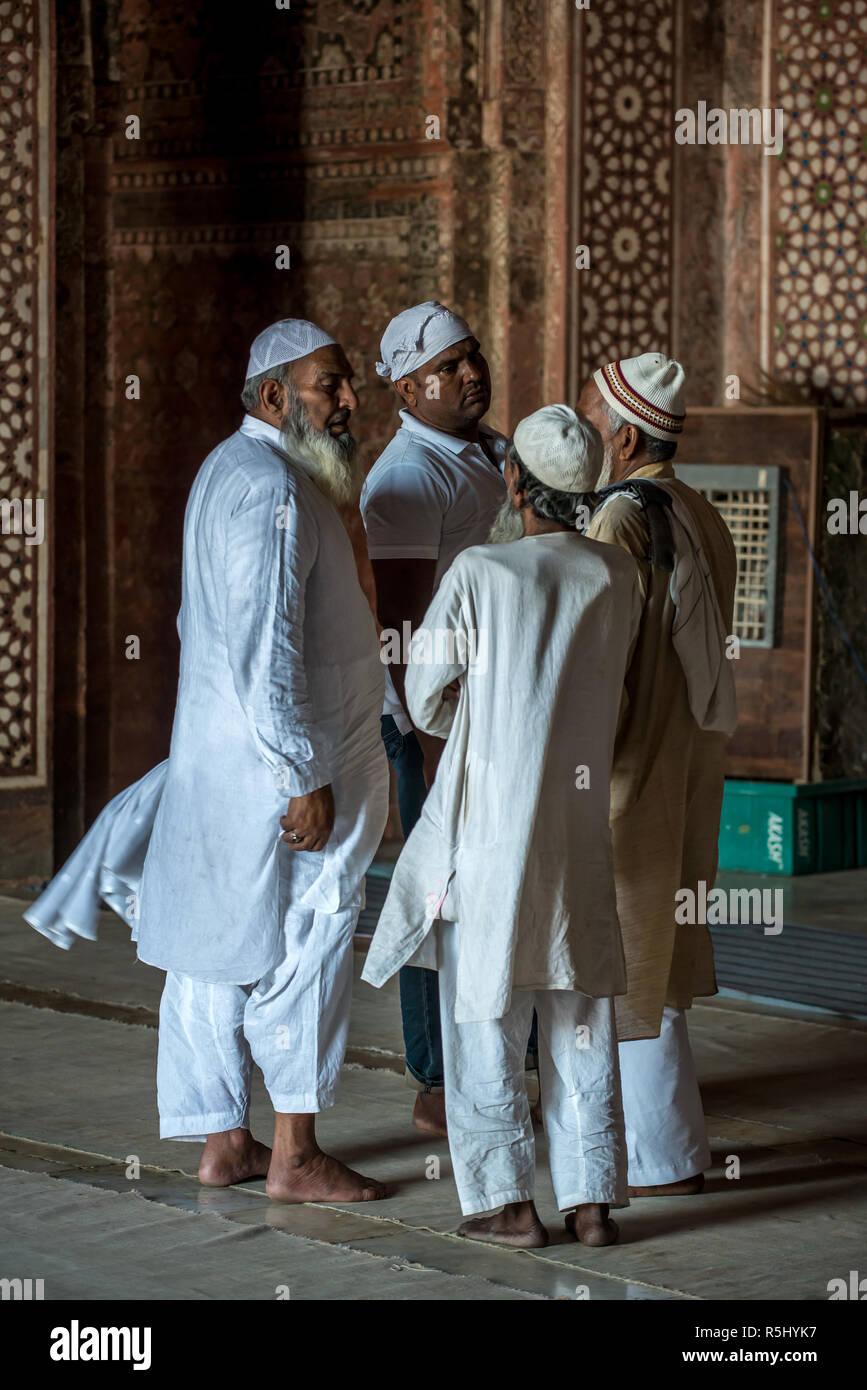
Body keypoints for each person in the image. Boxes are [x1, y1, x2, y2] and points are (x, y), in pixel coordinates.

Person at [25, 320, 390, 1204]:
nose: (348, 403)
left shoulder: (236, 470)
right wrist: (299, 770)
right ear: (273, 397)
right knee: (311, 934)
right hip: (288, 764)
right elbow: (263, 647)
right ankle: (296, 1156)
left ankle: (226, 1143)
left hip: (228, 761)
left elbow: (215, 632)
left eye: (346, 386)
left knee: (216, 947)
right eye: (328, 386)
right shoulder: (269, 490)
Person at [362, 405, 642, 1249]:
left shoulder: (482, 572)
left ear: (515, 484)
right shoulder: (615, 574)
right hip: (580, 827)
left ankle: (508, 1205)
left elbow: (423, 696)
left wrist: (482, 711)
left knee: (485, 1011)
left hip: (493, 831)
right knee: (580, 1006)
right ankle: (591, 1202)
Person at [578, 352, 738, 1197]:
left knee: (626, 960)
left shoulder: (619, 519)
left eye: (589, 424)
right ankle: (668, 1148)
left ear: (626, 435)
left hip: (628, 767)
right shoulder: (701, 512)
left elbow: (606, 660)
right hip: (689, 767)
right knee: (658, 949)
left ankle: (657, 1159)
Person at [360, 301, 509, 1136]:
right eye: (446, 368)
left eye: (471, 356)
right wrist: (423, 730)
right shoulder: (407, 478)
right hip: (434, 712)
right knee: (431, 888)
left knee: (486, 883)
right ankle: (433, 1078)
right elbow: (401, 621)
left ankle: (491, 1051)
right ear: (407, 388)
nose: (469, 373)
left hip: (484, 705)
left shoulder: (485, 448)